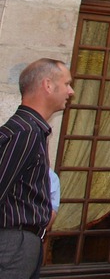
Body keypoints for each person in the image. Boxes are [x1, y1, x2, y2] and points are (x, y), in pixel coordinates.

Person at [0, 58, 74, 279]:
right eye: (67, 83)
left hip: (22, 244)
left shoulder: (32, 130)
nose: (71, 91)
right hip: (13, 245)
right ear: (48, 85)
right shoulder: (26, 132)